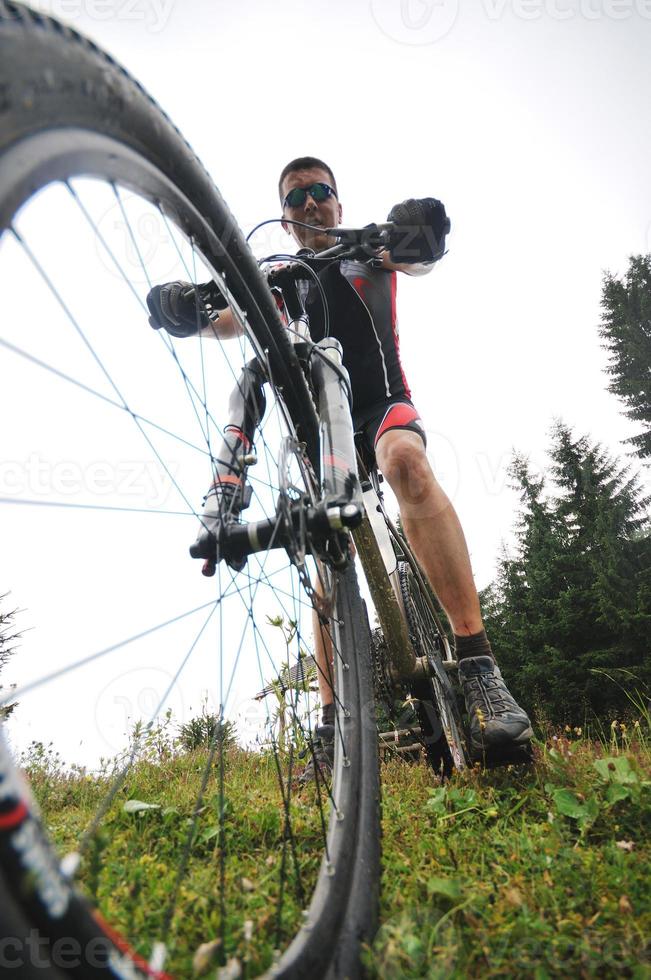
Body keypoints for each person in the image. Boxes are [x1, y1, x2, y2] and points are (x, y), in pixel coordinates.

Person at [146, 156, 533, 771]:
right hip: (320, 434)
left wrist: (422, 228)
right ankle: (331, 724)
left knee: (407, 463)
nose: (309, 204)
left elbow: (418, 256)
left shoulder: (367, 251)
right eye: (295, 198)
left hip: (381, 404)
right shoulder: (275, 275)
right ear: (284, 217)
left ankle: (480, 665)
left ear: (339, 203)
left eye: (320, 192)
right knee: (328, 560)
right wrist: (185, 310)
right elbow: (226, 319)